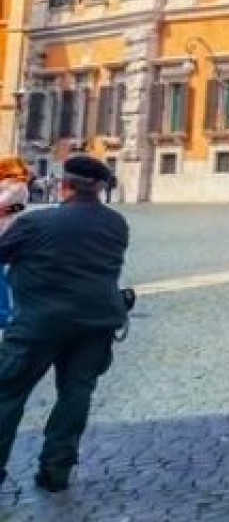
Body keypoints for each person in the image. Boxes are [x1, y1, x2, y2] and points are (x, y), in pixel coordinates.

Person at [0, 154, 132, 493]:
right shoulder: (116, 224)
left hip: (38, 323)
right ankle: (56, 471)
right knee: (76, 394)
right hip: (96, 323)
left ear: (64, 185)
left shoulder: (36, 223)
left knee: (7, 392)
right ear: (99, 188)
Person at [0, 158, 30, 327]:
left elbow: (5, 206)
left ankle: (3, 313)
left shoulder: (17, 186)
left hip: (6, 232)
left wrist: (5, 210)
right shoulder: (8, 185)